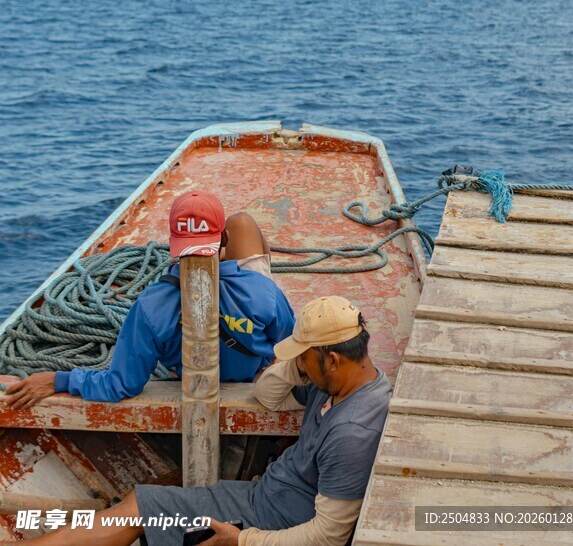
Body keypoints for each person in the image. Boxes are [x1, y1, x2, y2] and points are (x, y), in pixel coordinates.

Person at [28, 295, 390, 546]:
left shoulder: (351, 433)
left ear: (332, 361)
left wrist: (243, 540)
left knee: (137, 510)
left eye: (306, 359)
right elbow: (267, 393)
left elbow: (328, 536)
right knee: (138, 508)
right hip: (260, 498)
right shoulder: (336, 384)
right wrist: (298, 365)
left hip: (266, 521)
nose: (301, 367)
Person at [6, 190, 295, 406]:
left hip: (190, 375)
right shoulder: (263, 292)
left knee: (240, 223)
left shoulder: (151, 305)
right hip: (249, 369)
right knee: (243, 222)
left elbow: (120, 385)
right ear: (224, 242)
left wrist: (58, 379)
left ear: (173, 244)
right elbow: (290, 346)